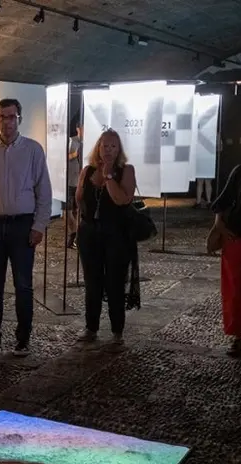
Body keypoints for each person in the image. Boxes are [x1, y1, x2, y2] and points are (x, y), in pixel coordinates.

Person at [0, 99, 51, 356]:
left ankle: (23, 338)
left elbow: (43, 192)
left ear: (19, 118)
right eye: (2, 117)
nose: (7, 122)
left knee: (23, 285)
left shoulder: (33, 150)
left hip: (22, 226)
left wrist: (39, 225)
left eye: (12, 116)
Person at [75, 129, 138, 347]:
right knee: (92, 282)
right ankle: (90, 328)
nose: (108, 150)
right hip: (90, 233)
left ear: (119, 149)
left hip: (116, 235)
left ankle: (116, 331)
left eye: (113, 146)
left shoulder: (126, 171)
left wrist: (109, 175)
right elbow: (79, 199)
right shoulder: (87, 170)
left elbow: (122, 199)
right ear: (98, 147)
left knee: (115, 283)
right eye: (104, 145)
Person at [209, 131, 241, 357]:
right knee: (235, 293)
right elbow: (222, 202)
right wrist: (219, 227)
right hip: (238, 240)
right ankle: (236, 338)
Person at [66, 123, 83, 248]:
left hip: (81, 183)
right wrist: (74, 155)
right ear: (78, 128)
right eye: (83, 127)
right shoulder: (72, 141)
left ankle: (76, 237)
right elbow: (62, 157)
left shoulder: (90, 142)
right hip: (69, 181)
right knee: (67, 211)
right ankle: (74, 234)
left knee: (79, 211)